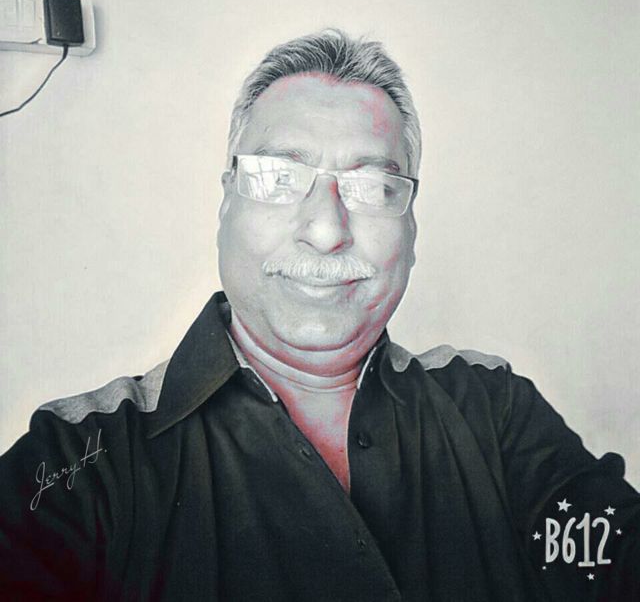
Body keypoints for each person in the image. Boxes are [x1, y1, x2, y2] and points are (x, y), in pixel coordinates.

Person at [0, 29, 638, 601]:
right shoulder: (83, 462)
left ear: (411, 226)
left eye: (373, 187)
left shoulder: (493, 411)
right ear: (226, 203)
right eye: (280, 177)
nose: (328, 230)